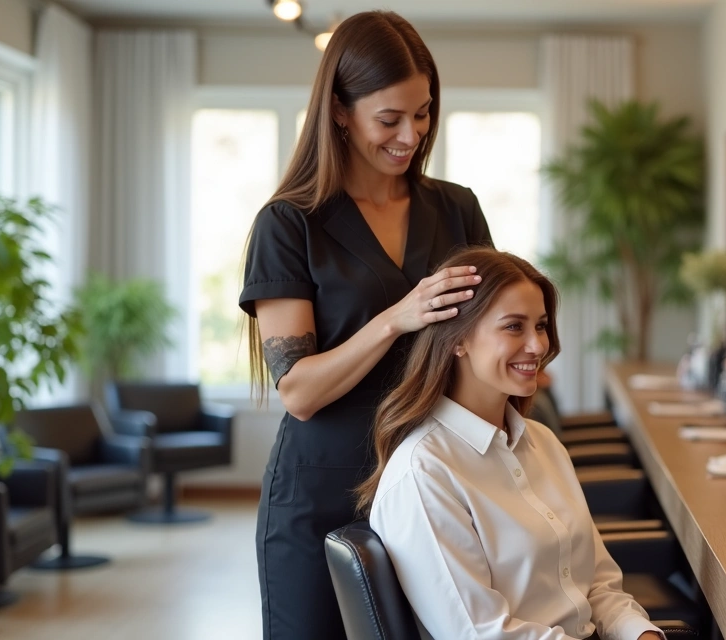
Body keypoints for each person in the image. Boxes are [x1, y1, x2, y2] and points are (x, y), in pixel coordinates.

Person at [238, 11, 492, 639]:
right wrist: (396, 320)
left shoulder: (456, 209)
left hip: (437, 487)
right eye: (390, 119)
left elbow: (487, 341)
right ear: (341, 113)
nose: (411, 134)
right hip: (322, 491)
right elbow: (297, 391)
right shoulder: (289, 224)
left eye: (423, 113)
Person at [356, 247, 664, 640]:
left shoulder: (544, 444)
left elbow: (598, 585)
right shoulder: (425, 473)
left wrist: (641, 634)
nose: (538, 345)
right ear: (458, 339)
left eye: (540, 325)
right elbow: (483, 634)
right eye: (514, 327)